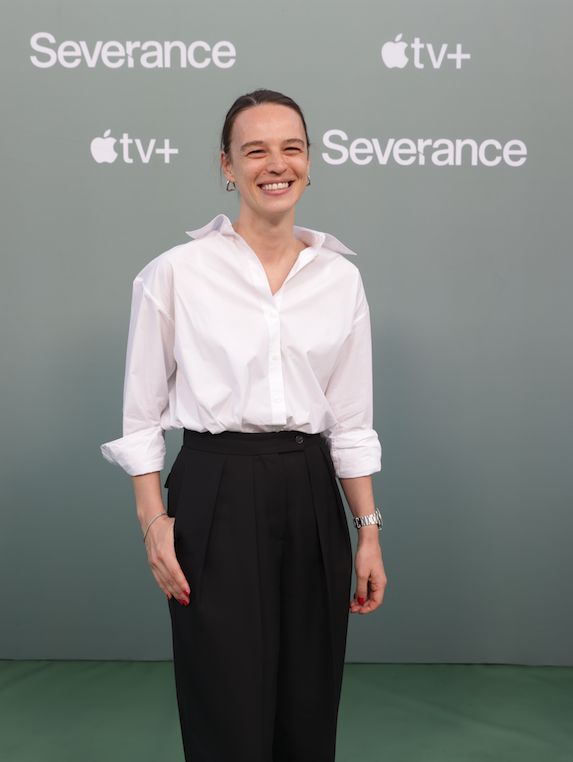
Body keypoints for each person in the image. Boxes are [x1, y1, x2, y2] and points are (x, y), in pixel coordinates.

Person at [101, 89, 386, 762]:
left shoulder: (340, 281)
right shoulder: (174, 274)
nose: (274, 164)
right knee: (224, 699)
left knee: (308, 700)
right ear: (226, 166)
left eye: (290, 148)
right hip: (213, 486)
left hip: (312, 489)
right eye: (253, 150)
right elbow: (141, 415)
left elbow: (349, 420)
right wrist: (153, 520)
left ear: (310, 163)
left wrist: (367, 530)